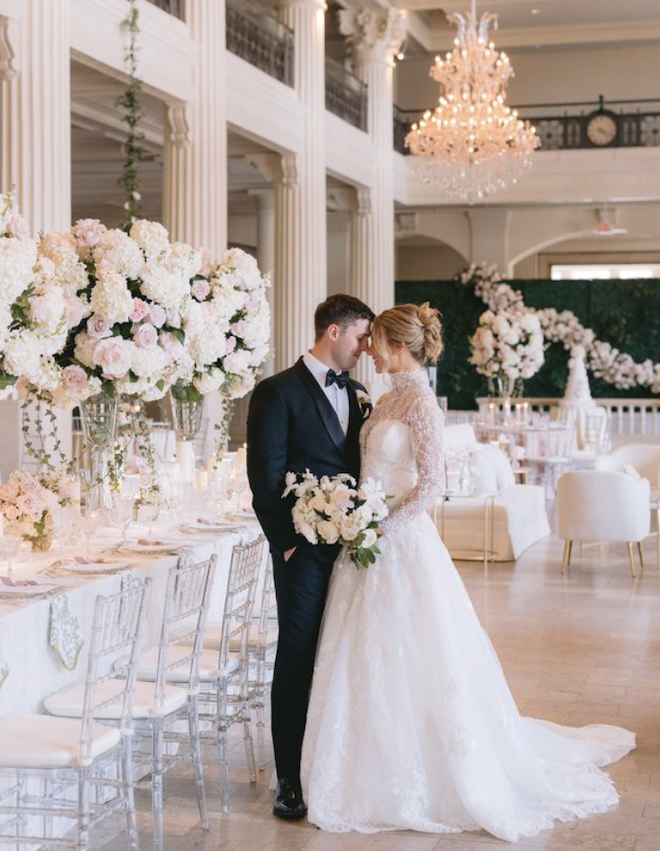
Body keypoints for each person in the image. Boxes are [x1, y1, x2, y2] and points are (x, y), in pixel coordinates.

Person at [300, 302, 635, 842]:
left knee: (416, 655)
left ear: (396, 345)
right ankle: (360, 762)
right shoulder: (384, 397)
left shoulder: (421, 405)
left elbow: (430, 485)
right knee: (363, 657)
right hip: (364, 547)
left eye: (376, 341)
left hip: (397, 544)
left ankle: (424, 772)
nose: (368, 350)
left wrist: (376, 528)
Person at [246, 293, 374, 820]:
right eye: (362, 336)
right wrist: (289, 543)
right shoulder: (275, 393)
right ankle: (289, 779)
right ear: (335, 333)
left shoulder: (361, 393)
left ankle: (333, 765)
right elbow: (264, 478)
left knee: (342, 656)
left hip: (351, 552)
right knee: (297, 658)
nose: (367, 347)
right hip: (302, 552)